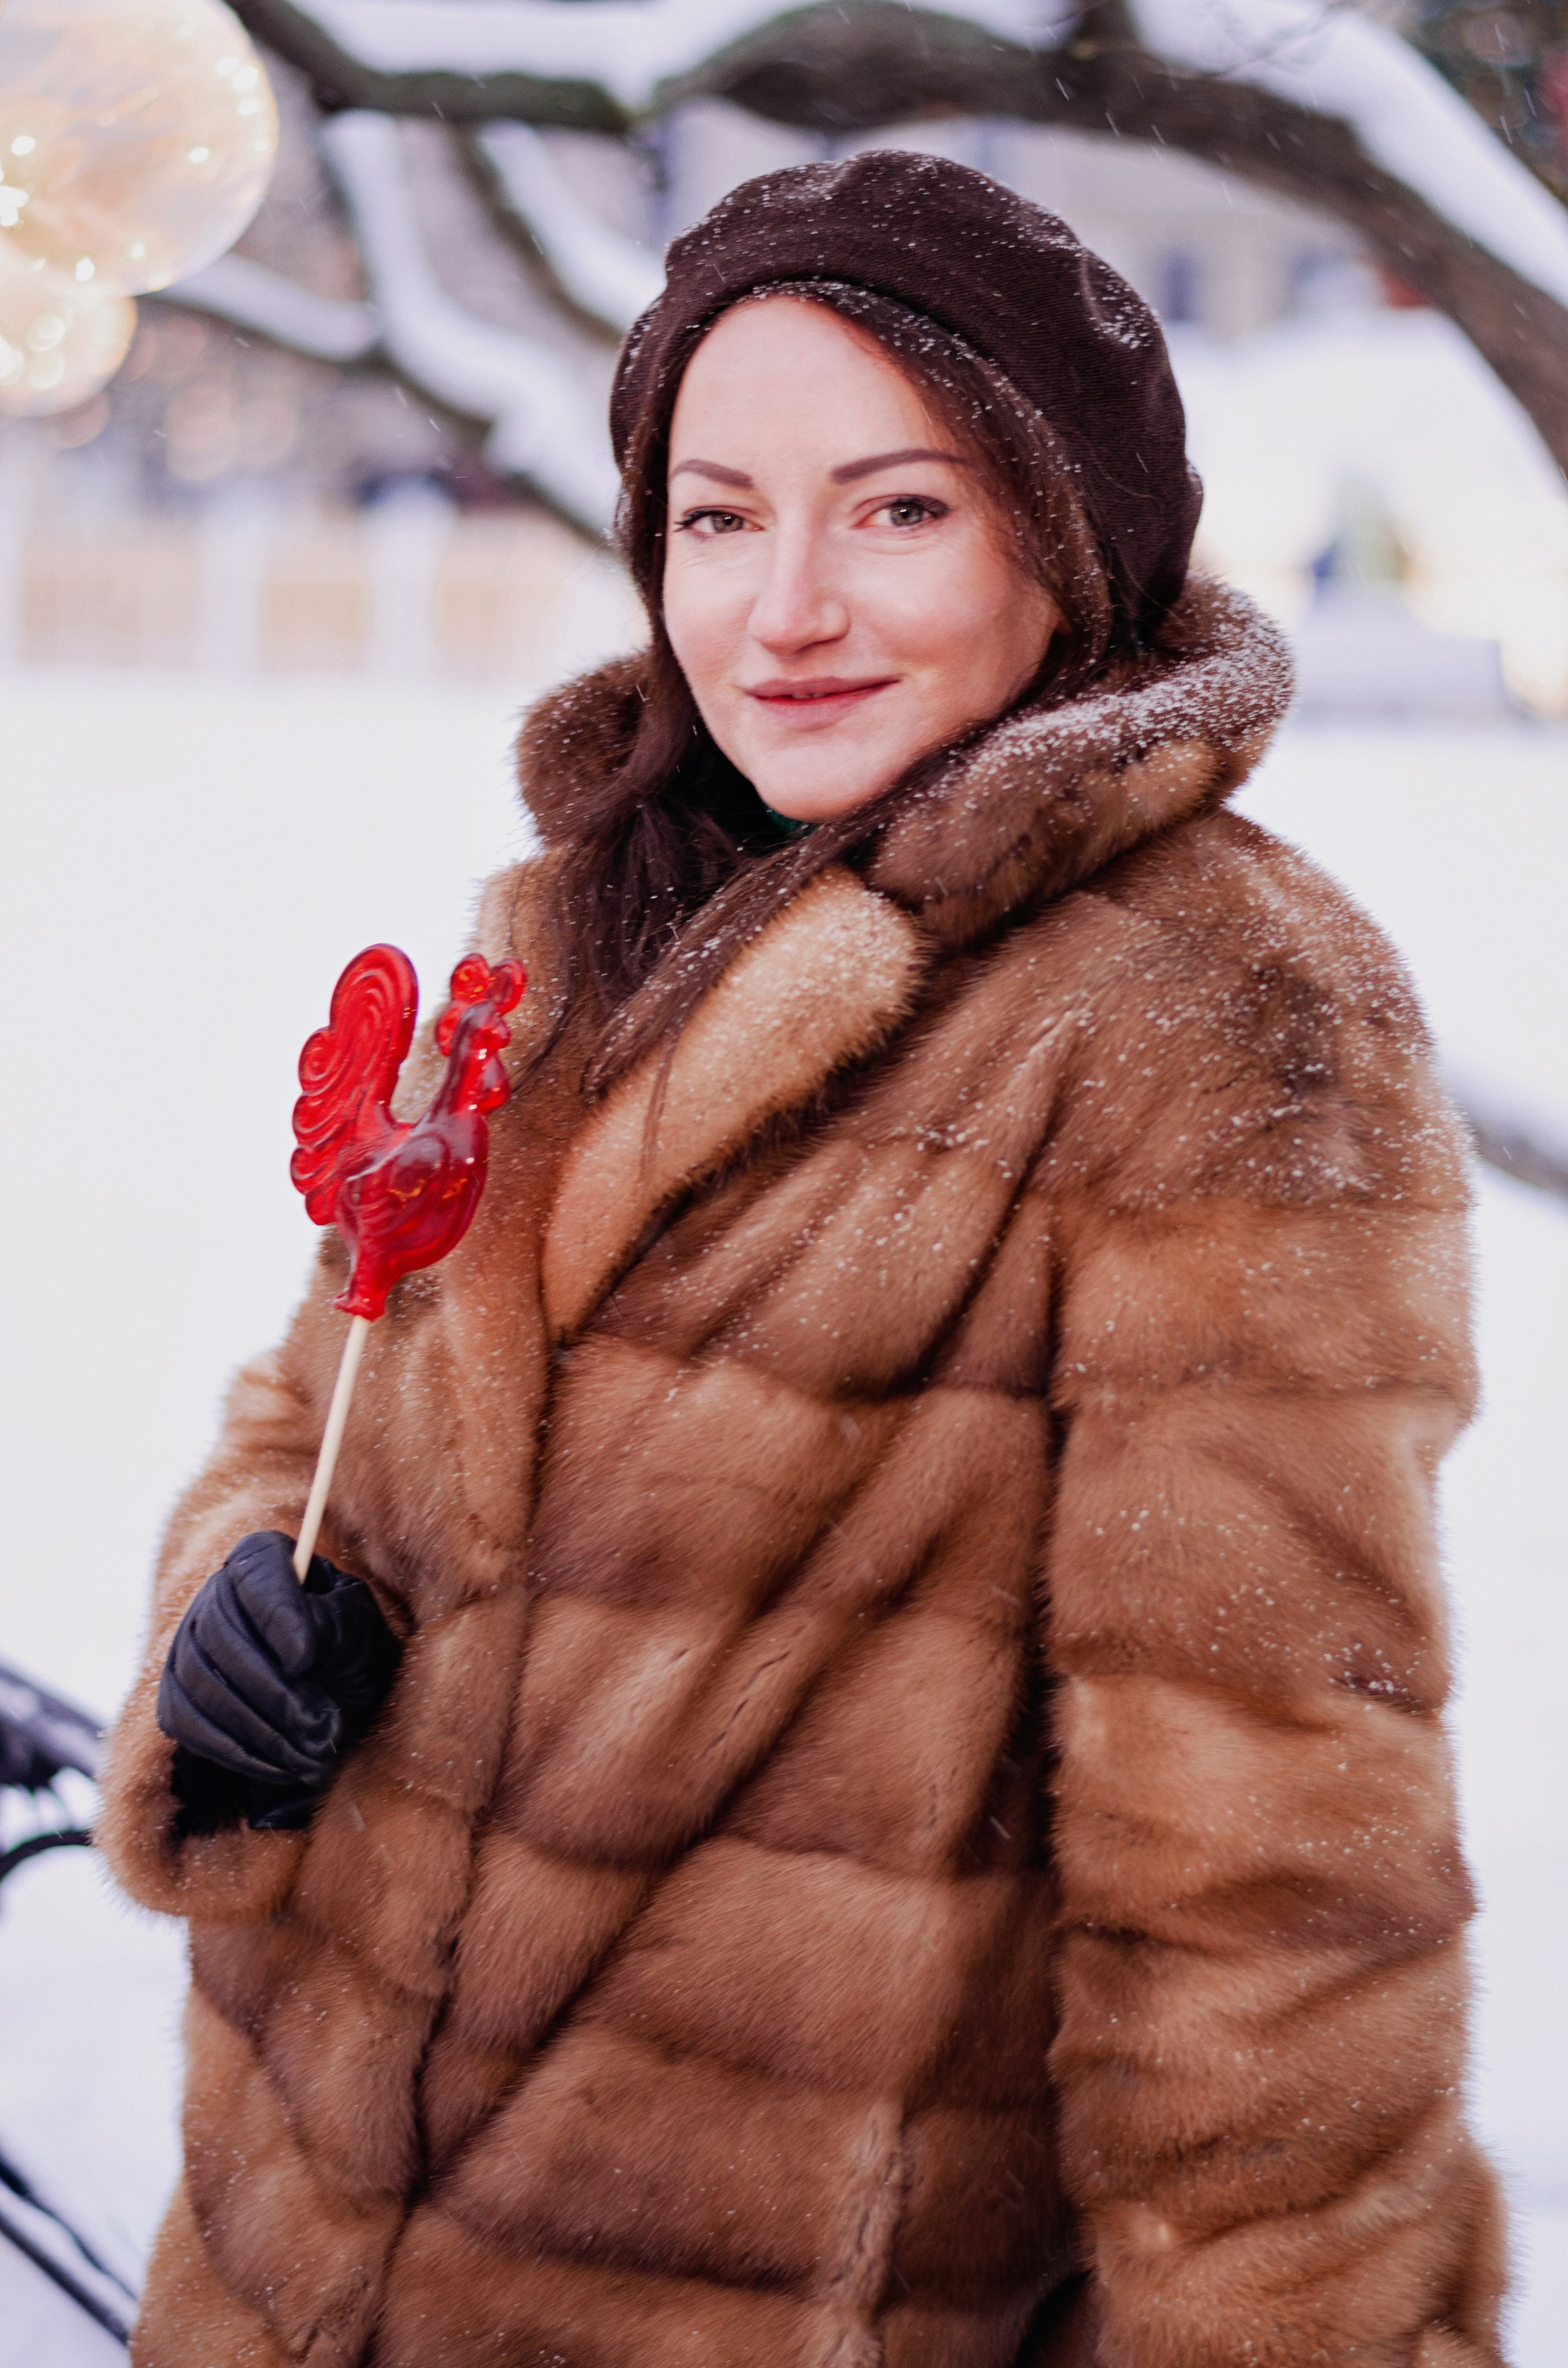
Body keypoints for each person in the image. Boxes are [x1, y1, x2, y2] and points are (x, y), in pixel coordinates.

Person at [100, 152, 1507, 2368]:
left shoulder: (1216, 1015)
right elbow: (315, 1416)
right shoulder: (566, 932)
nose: (785, 611)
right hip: (304, 2274)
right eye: (719, 515)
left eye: (900, 510)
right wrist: (234, 1630)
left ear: (1071, 539)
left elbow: (1263, 1873)